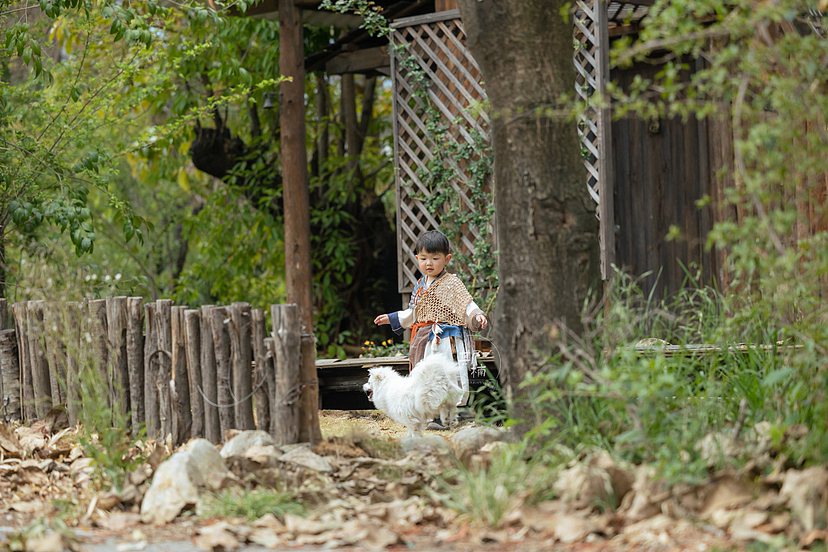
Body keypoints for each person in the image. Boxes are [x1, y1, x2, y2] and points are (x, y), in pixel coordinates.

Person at [374, 229, 488, 408]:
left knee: (446, 373)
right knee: (426, 375)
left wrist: (477, 316)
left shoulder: (452, 283)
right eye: (424, 258)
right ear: (417, 258)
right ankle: (430, 410)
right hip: (425, 340)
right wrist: (392, 318)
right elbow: (414, 312)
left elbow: (466, 305)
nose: (429, 263)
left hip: (445, 341)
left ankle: (450, 409)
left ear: (447, 259)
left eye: (435, 258)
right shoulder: (420, 285)